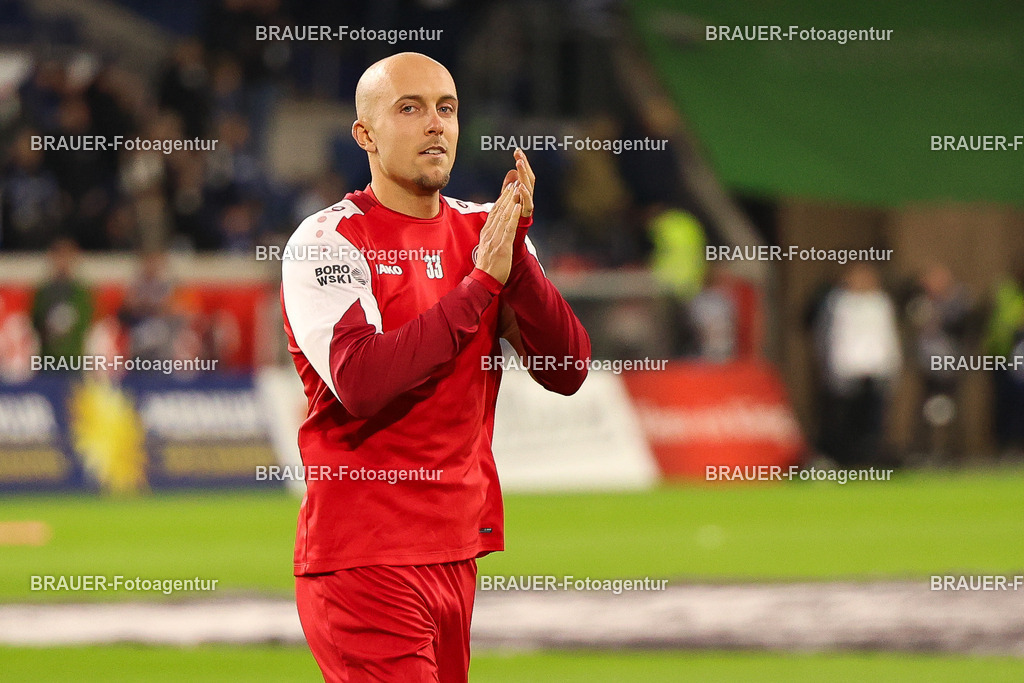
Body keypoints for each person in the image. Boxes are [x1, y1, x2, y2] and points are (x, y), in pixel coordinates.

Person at [280, 52, 591, 682]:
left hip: (456, 550)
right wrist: (481, 283)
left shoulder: (487, 231)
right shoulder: (328, 242)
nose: (435, 125)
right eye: (410, 109)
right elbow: (363, 382)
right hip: (364, 557)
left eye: (446, 109)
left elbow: (566, 369)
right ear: (364, 135)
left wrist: (517, 256)